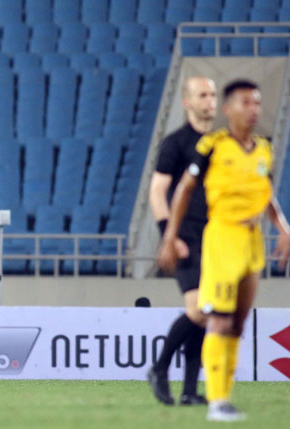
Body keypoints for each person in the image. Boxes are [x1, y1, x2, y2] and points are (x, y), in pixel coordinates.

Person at [158, 80, 290, 422]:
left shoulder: (264, 148)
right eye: (246, 102)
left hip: (252, 241)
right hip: (220, 237)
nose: (254, 109)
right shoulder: (212, 146)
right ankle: (214, 400)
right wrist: (169, 235)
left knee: (238, 321)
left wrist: (283, 228)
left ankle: (217, 396)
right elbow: (182, 189)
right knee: (216, 316)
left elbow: (266, 194)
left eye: (257, 103)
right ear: (229, 109)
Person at [147, 77, 217, 406]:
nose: (210, 101)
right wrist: (169, 236)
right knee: (199, 307)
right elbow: (158, 191)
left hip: (216, 236)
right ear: (187, 102)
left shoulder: (221, 143)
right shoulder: (176, 143)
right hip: (185, 234)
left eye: (214, 94)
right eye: (203, 95)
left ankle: (190, 391)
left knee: (207, 311)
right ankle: (159, 369)